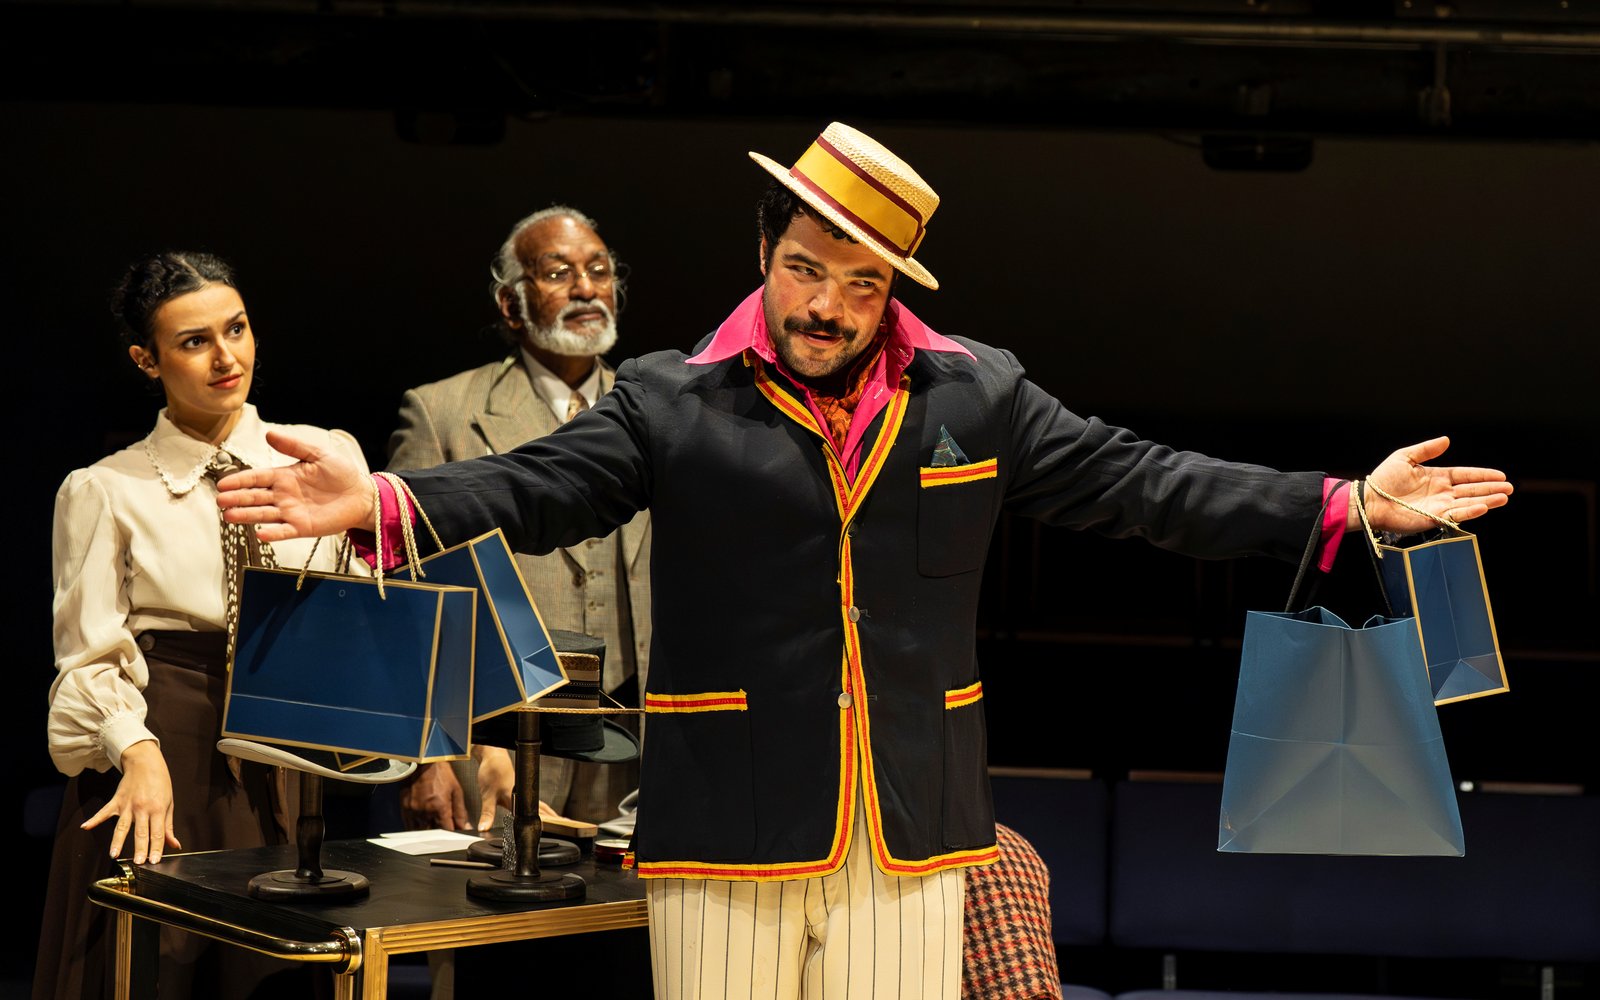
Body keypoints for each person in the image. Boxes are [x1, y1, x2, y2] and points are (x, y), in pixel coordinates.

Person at [215, 122, 1513, 1000]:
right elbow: (537, 487)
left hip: (910, 827)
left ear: (894, 285)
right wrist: (383, 500)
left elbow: (1142, 483)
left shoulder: (974, 397)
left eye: (853, 280)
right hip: (726, 826)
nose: (822, 305)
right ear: (762, 258)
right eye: (799, 270)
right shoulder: (675, 401)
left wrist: (1343, 507)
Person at [36, 252, 369, 1000]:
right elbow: (85, 656)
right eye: (194, 342)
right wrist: (137, 752)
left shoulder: (322, 456)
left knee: (271, 971)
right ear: (145, 360)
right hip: (162, 747)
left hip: (284, 749)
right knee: (157, 968)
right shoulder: (105, 488)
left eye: (238, 329)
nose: (227, 358)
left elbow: (366, 613)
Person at [387, 205, 650, 832]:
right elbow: (408, 593)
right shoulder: (443, 412)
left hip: (629, 729)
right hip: (494, 739)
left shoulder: (653, 410)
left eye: (599, 270)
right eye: (559, 273)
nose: (586, 288)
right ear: (511, 305)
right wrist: (428, 756)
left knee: (620, 921)